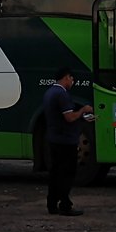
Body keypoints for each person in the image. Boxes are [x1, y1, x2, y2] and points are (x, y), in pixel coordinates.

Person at [43, 67, 94, 216]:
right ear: (66, 78)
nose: (72, 82)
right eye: (71, 79)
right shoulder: (61, 94)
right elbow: (69, 117)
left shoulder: (49, 92)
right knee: (67, 174)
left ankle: (52, 204)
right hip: (65, 141)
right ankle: (65, 204)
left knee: (55, 173)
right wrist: (83, 110)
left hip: (53, 138)